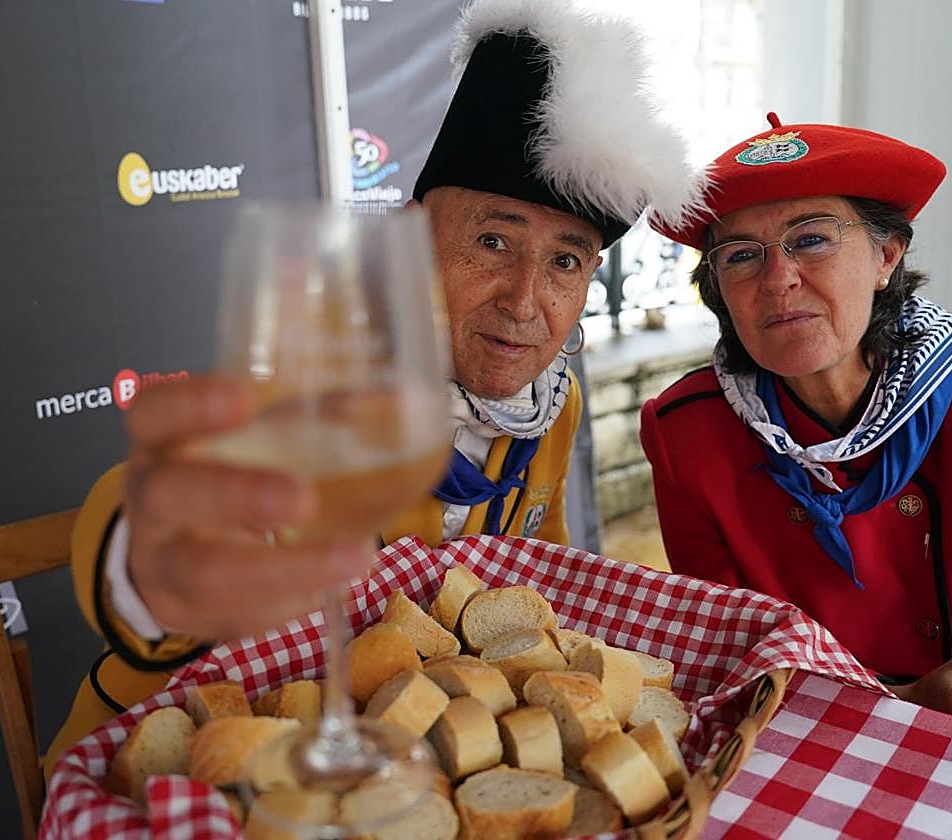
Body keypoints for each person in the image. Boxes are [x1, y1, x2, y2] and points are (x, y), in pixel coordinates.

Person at [44, 1, 704, 773]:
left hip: (399, 762)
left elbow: (537, 574)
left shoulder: (551, 406)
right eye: (493, 240)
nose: (526, 303)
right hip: (175, 767)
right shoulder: (323, 374)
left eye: (565, 261)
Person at [641, 113, 952, 749]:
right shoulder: (686, 432)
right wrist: (900, 710)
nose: (778, 279)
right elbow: (726, 657)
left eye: (811, 239)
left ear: (886, 256)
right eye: (741, 255)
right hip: (807, 738)